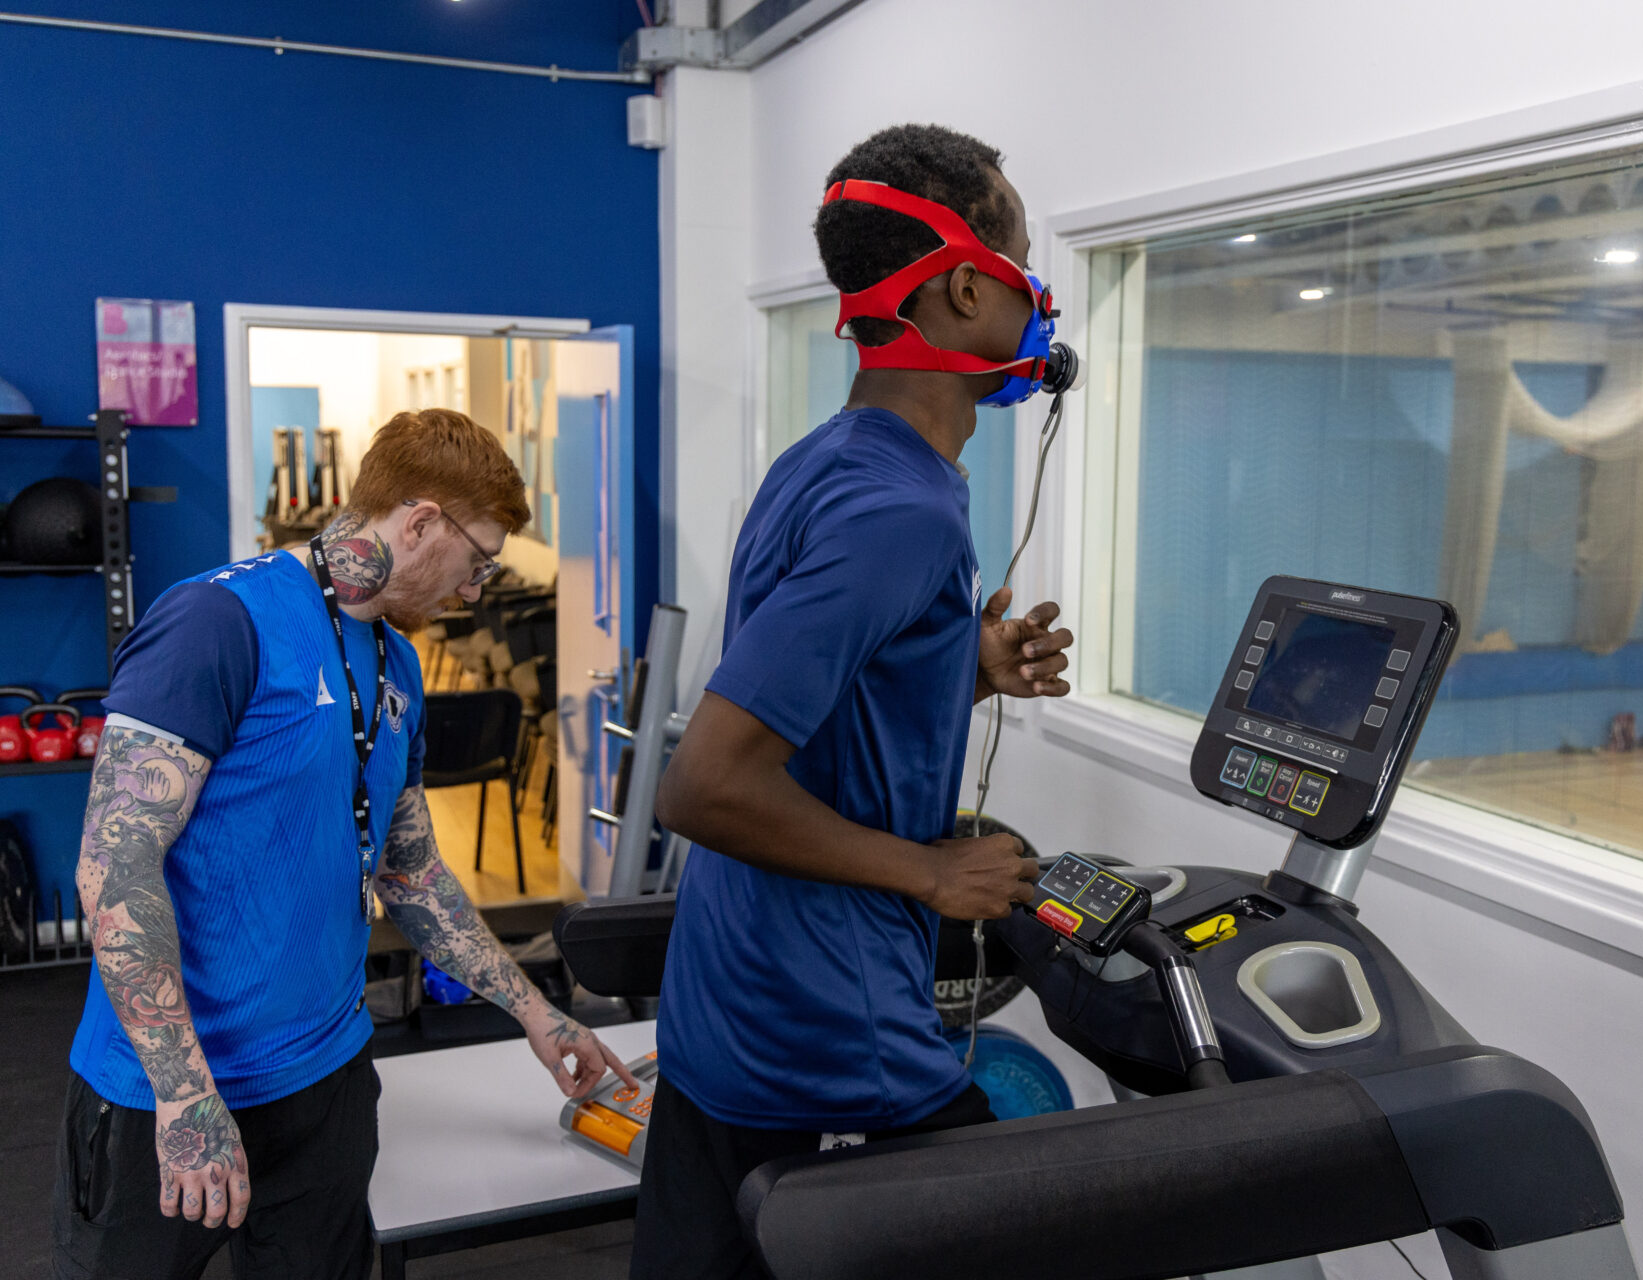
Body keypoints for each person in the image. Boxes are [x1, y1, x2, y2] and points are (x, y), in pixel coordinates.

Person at [53, 408, 639, 1280]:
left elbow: (411, 871)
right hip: (165, 1089)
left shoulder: (396, 665)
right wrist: (183, 1091)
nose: (477, 591)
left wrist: (534, 1009)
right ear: (421, 522)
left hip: (323, 1082)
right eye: (477, 561)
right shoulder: (218, 623)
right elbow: (115, 865)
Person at [635, 124, 1075, 1280]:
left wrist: (960, 664)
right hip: (828, 1033)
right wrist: (935, 873)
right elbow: (707, 781)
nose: (1041, 298)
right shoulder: (905, 513)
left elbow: (817, 699)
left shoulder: (827, 460)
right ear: (970, 285)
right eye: (1026, 263)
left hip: (729, 1001)